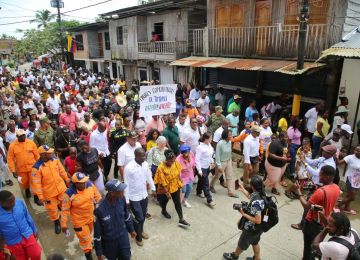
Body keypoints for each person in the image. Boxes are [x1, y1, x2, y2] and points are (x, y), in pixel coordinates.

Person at [294, 165, 340, 260]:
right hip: (323, 222)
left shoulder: (320, 192)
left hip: (312, 223)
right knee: (315, 245)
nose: (319, 176)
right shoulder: (336, 187)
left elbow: (306, 206)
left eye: (321, 175)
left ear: (327, 177)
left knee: (308, 247)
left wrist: (298, 191)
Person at [223, 176, 265, 260]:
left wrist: (244, 214)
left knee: (242, 243)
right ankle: (257, 258)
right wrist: (242, 189)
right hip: (259, 228)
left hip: (252, 228)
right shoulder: (261, 194)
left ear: (252, 187)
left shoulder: (256, 203)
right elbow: (251, 197)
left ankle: (234, 256)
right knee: (255, 242)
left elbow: (257, 220)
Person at [61, 172, 102, 260]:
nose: (84, 184)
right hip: (79, 222)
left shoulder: (89, 185)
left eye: (84, 181)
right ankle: (89, 256)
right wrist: (63, 224)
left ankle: (89, 243)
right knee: (85, 240)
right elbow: (65, 210)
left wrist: (101, 206)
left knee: (89, 234)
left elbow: (97, 196)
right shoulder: (68, 194)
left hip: (90, 217)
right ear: (75, 184)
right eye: (81, 183)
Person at [94, 179, 136, 260]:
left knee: (126, 257)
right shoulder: (99, 209)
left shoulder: (122, 199)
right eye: (120, 190)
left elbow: (126, 216)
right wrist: (99, 253)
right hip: (109, 243)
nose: (123, 191)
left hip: (123, 238)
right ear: (112, 192)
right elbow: (97, 234)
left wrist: (131, 229)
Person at [31, 145, 69, 234]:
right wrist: (40, 197)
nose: (51, 153)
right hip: (48, 193)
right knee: (52, 209)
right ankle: (56, 222)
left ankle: (63, 215)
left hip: (60, 188)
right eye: (49, 153)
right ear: (43, 155)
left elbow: (61, 170)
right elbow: (36, 183)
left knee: (63, 203)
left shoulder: (55, 159)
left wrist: (67, 179)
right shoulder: (36, 167)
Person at [124, 148, 155, 246]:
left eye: (144, 155)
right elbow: (126, 183)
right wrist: (127, 199)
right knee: (139, 218)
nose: (144, 157)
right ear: (136, 156)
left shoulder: (145, 164)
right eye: (142, 156)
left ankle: (140, 230)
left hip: (143, 195)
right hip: (134, 197)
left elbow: (148, 176)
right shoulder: (129, 167)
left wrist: (153, 188)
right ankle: (138, 237)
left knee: (143, 215)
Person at [0, 190, 42, 260]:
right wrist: (2, 246)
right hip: (12, 241)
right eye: (10, 203)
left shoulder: (19, 203)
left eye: (14, 200)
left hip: (27, 234)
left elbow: (27, 216)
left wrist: (34, 229)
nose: (14, 203)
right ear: (1, 203)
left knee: (36, 254)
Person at [154, 149, 190, 227]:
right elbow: (163, 182)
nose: (173, 162)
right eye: (171, 161)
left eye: (173, 161)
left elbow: (178, 173)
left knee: (177, 202)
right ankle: (163, 210)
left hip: (175, 186)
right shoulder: (161, 168)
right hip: (165, 188)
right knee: (164, 201)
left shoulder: (175, 162)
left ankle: (181, 219)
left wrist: (180, 182)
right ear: (166, 160)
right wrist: (167, 193)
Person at [7, 129, 40, 199]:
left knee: (35, 183)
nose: (22, 137)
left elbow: (37, 155)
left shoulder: (31, 143)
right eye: (20, 136)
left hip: (32, 167)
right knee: (24, 182)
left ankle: (36, 197)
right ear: (17, 136)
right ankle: (27, 190)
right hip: (21, 169)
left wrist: (39, 165)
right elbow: (10, 159)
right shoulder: (12, 146)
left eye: (23, 135)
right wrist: (13, 171)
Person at [211, 129, 237, 197]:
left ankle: (230, 191)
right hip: (221, 162)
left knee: (229, 176)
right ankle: (211, 186)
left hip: (228, 161)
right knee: (217, 176)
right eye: (229, 135)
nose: (231, 136)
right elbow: (217, 155)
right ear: (225, 136)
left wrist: (231, 161)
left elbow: (229, 152)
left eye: (231, 134)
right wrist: (219, 166)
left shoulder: (230, 142)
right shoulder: (220, 143)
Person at [337, 145, 360, 215]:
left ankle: (346, 207)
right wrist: (336, 155)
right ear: (354, 151)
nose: (358, 152)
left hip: (357, 180)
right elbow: (339, 163)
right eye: (356, 150)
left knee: (348, 195)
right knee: (352, 197)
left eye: (359, 151)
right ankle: (337, 206)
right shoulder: (350, 157)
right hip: (350, 178)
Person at [195, 133, 216, 207]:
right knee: (206, 183)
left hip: (208, 167)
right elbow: (197, 160)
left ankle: (198, 191)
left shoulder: (209, 145)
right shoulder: (200, 147)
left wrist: (212, 162)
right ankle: (209, 200)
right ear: (206, 139)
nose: (212, 139)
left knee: (201, 180)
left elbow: (210, 155)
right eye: (210, 138)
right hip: (202, 168)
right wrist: (199, 170)